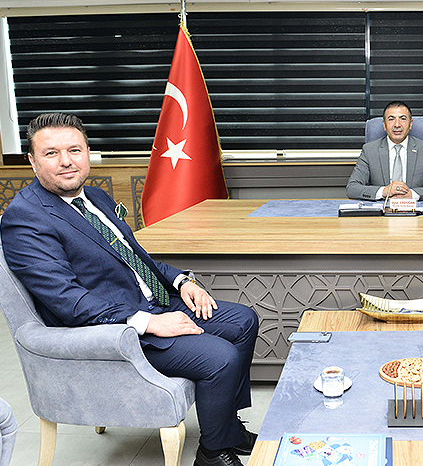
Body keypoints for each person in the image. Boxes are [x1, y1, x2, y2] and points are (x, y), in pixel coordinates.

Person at [1, 113, 259, 466]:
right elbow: (67, 301)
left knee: (243, 320)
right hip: (111, 330)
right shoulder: (25, 218)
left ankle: (226, 429)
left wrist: (182, 281)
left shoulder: (95, 197)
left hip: (151, 301)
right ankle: (213, 454)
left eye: (74, 150)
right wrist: (150, 322)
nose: (66, 161)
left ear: (87, 152)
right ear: (32, 161)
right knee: (219, 357)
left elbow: (135, 258)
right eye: (51, 153)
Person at [346, 101, 423, 201]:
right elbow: (352, 188)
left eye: (403, 119)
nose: (397, 124)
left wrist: (412, 194)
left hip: (415, 209)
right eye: (391, 119)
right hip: (383, 209)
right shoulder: (369, 150)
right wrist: (383, 191)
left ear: (410, 124)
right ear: (384, 125)